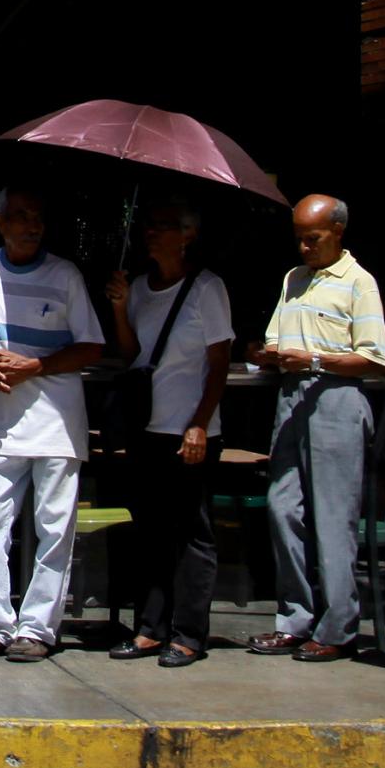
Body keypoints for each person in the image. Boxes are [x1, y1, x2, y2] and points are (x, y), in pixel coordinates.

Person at [0, 187, 101, 663]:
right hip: (0, 421)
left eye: (38, 217)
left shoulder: (65, 274)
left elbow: (90, 346)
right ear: (0, 222)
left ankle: (38, 628)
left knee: (55, 527)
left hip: (56, 421)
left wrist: (36, 365)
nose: (31, 225)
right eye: (21, 217)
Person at [244, 193, 385, 662]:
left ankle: (338, 625)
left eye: (313, 239)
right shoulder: (294, 279)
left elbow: (373, 357)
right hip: (291, 396)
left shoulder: (358, 283)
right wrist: (267, 353)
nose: (305, 248)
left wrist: (310, 358)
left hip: (335, 397)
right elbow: (276, 334)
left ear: (338, 232)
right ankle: (296, 617)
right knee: (282, 507)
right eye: (300, 240)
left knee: (332, 517)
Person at [105, 198, 232, 668]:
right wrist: (120, 308)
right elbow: (132, 352)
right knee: (151, 531)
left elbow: (218, 363)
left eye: (163, 226)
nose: (151, 234)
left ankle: (189, 633)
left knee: (192, 533)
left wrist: (199, 422)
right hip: (148, 427)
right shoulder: (140, 286)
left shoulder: (206, 288)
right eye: (150, 226)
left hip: (189, 431)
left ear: (187, 235)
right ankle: (150, 627)